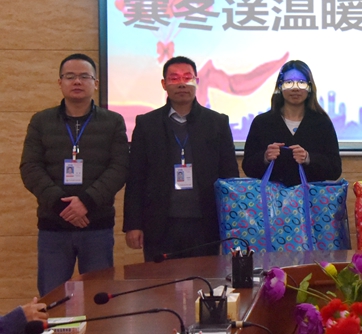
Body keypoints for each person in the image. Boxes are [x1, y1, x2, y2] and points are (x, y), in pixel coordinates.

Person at [20, 54, 129, 296]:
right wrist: (63, 206)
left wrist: (86, 203)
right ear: (60, 82)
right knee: (52, 298)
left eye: (84, 76)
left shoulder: (112, 122)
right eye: (70, 76)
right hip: (53, 227)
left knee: (99, 297)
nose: (77, 81)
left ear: (95, 83)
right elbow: (30, 167)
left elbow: (119, 167)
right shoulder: (41, 121)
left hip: (96, 225)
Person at [123, 56, 239, 262]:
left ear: (197, 82)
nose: (182, 83)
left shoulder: (217, 122)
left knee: (204, 279)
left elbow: (229, 176)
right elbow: (136, 178)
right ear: (164, 84)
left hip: (205, 223)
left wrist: (231, 222)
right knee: (160, 280)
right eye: (174, 78)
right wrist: (133, 225)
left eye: (188, 77)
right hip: (159, 224)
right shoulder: (147, 124)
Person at [242, 60, 341, 186]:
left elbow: (335, 170)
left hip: (311, 196)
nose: (295, 88)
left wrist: (308, 158)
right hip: (271, 196)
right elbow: (247, 167)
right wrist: (265, 157)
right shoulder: (262, 123)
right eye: (289, 83)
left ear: (310, 87)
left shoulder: (322, 123)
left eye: (301, 83)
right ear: (280, 86)